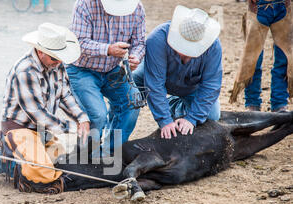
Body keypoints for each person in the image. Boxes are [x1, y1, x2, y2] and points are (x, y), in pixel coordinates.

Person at [0, 23, 90, 194]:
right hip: (20, 128)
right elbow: (37, 114)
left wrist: (82, 118)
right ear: (40, 52)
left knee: (61, 162)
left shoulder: (56, 64)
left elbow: (66, 95)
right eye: (55, 58)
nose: (59, 62)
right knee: (44, 174)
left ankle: (16, 159)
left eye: (60, 57)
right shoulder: (25, 71)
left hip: (42, 129)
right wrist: (72, 127)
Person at [67, 0, 146, 158]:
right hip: (82, 69)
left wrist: (135, 57)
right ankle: (88, 156)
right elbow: (78, 43)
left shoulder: (136, 8)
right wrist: (108, 49)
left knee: (132, 103)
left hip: (112, 69)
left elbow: (140, 43)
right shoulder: (85, 4)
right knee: (98, 115)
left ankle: (110, 152)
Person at [133, 5, 222, 139]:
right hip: (152, 76)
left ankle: (174, 105)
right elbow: (155, 84)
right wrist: (165, 120)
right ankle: (111, 138)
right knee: (129, 91)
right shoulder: (157, 38)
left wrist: (192, 118)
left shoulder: (213, 47)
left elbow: (211, 85)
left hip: (191, 86)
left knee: (212, 116)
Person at [230, 0, 292, 112]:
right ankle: (253, 103)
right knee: (252, 59)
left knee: (284, 58)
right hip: (258, 6)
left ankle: (279, 104)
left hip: (283, 5)